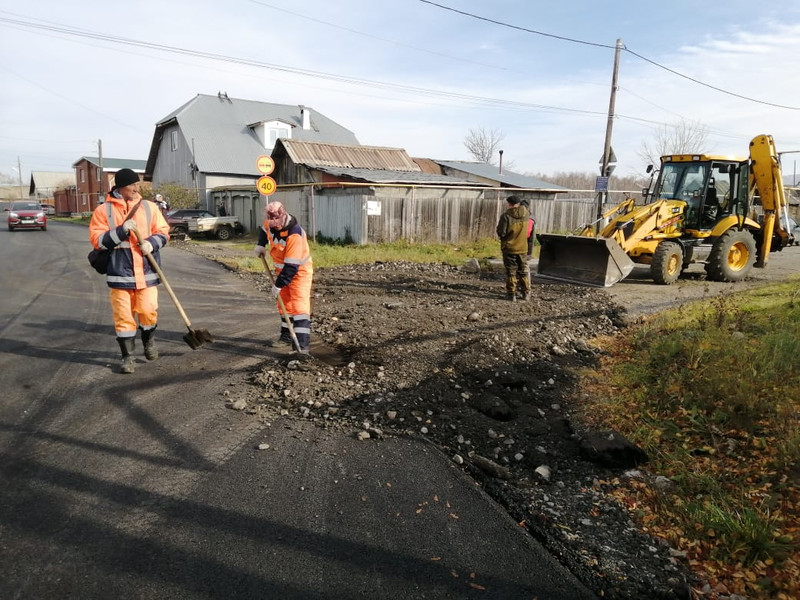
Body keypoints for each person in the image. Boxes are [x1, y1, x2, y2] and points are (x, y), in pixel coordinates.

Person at [89, 168, 170, 373]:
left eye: (137, 184)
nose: (137, 188)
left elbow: (163, 232)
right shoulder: (103, 211)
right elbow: (97, 241)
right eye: (132, 184)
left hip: (147, 271)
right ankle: (127, 357)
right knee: (123, 316)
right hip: (119, 273)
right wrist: (121, 231)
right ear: (120, 187)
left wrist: (151, 243)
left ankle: (149, 342)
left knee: (148, 310)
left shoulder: (150, 207)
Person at [253, 201, 313, 352]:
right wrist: (261, 244)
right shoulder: (270, 223)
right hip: (282, 272)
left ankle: (301, 348)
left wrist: (278, 285)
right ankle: (286, 337)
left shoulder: (295, 234)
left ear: (283, 216)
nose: (275, 227)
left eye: (277, 225)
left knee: (299, 308)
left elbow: (292, 266)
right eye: (272, 224)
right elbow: (263, 229)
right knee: (284, 305)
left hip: (299, 274)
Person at [496, 195, 531, 302]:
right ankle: (526, 293)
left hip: (509, 248)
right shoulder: (526, 214)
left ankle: (511, 294)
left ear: (509, 204)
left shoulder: (506, 216)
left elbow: (501, 232)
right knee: (523, 271)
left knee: (511, 272)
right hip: (523, 248)